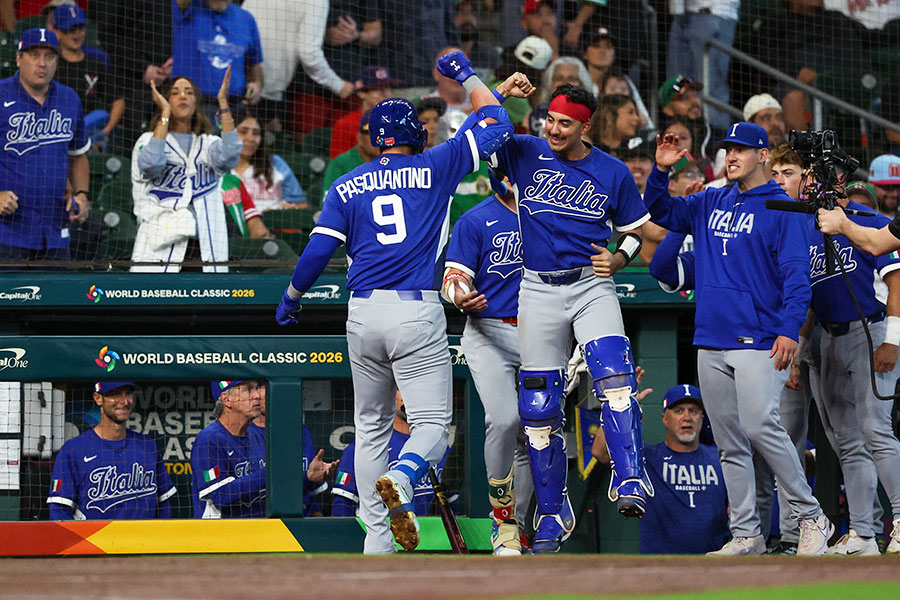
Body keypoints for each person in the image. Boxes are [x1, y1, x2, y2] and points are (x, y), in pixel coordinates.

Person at [275, 52, 520, 554]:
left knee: (369, 428)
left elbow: (319, 250)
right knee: (432, 424)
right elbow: (497, 123)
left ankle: (377, 543)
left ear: (371, 139)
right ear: (420, 135)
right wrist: (470, 77)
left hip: (361, 313)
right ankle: (405, 478)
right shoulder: (436, 163)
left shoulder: (346, 184)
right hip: (415, 309)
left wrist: (291, 297)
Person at [646, 124, 834, 556]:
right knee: (729, 440)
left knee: (759, 426)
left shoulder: (783, 206)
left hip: (759, 337)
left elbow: (796, 275)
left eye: (741, 150)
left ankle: (811, 516)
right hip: (711, 336)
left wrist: (790, 330)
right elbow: (660, 212)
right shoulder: (710, 198)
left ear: (762, 155)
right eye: (727, 149)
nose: (731, 156)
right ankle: (747, 532)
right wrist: (660, 171)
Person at [487, 82, 653, 553]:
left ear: (586, 125)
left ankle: (629, 479)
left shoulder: (613, 170)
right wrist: (501, 92)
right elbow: (481, 128)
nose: (554, 130)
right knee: (537, 410)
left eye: (565, 123)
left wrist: (620, 258)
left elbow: (636, 234)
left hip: (591, 284)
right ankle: (553, 510)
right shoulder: (523, 151)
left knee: (613, 376)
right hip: (537, 287)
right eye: (550, 120)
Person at [806, 172, 900, 556]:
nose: (809, 186)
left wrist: (893, 340)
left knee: (876, 430)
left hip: (872, 331)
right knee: (846, 441)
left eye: (817, 179)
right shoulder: (804, 229)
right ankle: (863, 532)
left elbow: (897, 281)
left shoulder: (871, 220)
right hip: (828, 336)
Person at [442, 172, 533, 555]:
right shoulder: (476, 219)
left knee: (537, 434)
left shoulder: (549, 214)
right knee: (504, 418)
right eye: (503, 172)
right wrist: (460, 296)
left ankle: (522, 527)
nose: (509, 178)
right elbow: (453, 277)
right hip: (488, 331)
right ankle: (502, 521)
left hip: (538, 333)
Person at [592, 383, 729, 554]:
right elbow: (600, 452)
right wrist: (621, 406)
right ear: (665, 418)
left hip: (715, 564)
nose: (687, 417)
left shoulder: (720, 458)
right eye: (679, 411)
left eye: (693, 411)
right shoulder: (647, 457)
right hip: (658, 566)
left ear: (702, 417)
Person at [130, 69, 241, 273]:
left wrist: (223, 103)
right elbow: (151, 164)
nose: (183, 96)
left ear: (196, 102)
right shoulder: (147, 140)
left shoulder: (208, 144)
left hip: (206, 247)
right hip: (158, 247)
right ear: (166, 99)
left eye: (189, 92)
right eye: (175, 92)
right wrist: (165, 114)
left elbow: (230, 155)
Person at [0, 28, 90, 263]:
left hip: (55, 232)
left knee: (57, 300)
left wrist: (81, 193)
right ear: (19, 58)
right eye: (34, 55)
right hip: (7, 234)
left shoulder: (69, 99)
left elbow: (78, 155)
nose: (42, 64)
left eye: (49, 56)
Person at [47, 381, 175, 520]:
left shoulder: (147, 445)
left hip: (142, 539)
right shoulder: (74, 450)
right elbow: (59, 509)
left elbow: (165, 502)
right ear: (98, 398)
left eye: (129, 394)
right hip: (96, 539)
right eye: (116, 394)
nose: (125, 401)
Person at [332, 392, 450, 518]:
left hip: (435, 531)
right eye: (402, 388)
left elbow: (451, 501)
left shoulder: (437, 443)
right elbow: (343, 503)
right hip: (385, 531)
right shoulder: (366, 445)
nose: (410, 394)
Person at [243, 0, 355, 127]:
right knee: (259, 140)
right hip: (267, 85)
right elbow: (308, 52)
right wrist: (338, 85)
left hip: (239, 74)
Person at [247, 383, 337, 517]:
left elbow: (311, 493)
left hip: (302, 519)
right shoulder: (246, 435)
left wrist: (318, 517)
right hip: (263, 522)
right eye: (264, 387)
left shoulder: (301, 431)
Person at [172, 0, 263, 122]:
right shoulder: (188, 8)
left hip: (234, 108)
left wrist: (256, 85)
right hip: (194, 106)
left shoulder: (246, 19)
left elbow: (255, 64)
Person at [49, 5, 124, 150]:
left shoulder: (96, 63)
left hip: (90, 133)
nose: (77, 34)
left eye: (80, 28)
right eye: (70, 29)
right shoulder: (51, 64)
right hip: (58, 134)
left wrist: (106, 131)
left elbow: (118, 101)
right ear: (57, 32)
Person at [191, 380, 266, 518]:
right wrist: (271, 474)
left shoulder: (257, 435)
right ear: (226, 399)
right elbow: (220, 495)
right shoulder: (208, 440)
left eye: (257, 388)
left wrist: (306, 476)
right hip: (222, 533)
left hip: (259, 530)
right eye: (248, 389)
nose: (257, 395)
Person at [667, 0, 739, 130]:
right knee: (678, 87)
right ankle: (683, 138)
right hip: (680, 13)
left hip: (714, 13)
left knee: (710, 88)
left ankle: (716, 143)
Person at [232, 110, 307, 211]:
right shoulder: (218, 167)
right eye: (243, 132)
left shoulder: (276, 163)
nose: (250, 138)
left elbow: (302, 204)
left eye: (256, 133)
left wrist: (291, 208)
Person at [329, 66, 396, 159]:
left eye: (387, 88)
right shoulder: (345, 124)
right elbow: (339, 164)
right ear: (361, 93)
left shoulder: (399, 120)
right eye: (377, 89)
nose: (385, 93)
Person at [322, 109, 378, 201]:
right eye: (371, 133)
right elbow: (328, 204)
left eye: (382, 133)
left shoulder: (395, 161)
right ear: (359, 138)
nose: (377, 139)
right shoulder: (341, 163)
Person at [868, 154, 900, 218]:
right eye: (887, 187)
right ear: (870, 184)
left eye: (898, 187)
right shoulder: (860, 214)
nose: (895, 194)